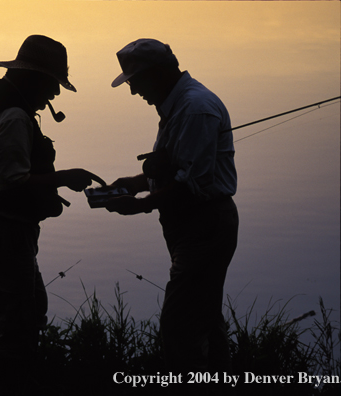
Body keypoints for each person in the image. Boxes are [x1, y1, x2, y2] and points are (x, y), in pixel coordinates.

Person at [0, 35, 104, 395]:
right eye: (53, 84)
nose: (55, 95)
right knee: (15, 322)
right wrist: (65, 178)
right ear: (36, 79)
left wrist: (48, 191)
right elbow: (10, 181)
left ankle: (13, 380)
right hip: (3, 232)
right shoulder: (15, 115)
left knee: (29, 310)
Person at [105, 38, 238, 395]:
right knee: (206, 321)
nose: (134, 92)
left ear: (158, 74)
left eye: (135, 82)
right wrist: (133, 184)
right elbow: (175, 167)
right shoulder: (177, 104)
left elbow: (192, 183)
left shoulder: (194, 108)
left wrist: (143, 203)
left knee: (179, 328)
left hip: (205, 224)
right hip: (192, 226)